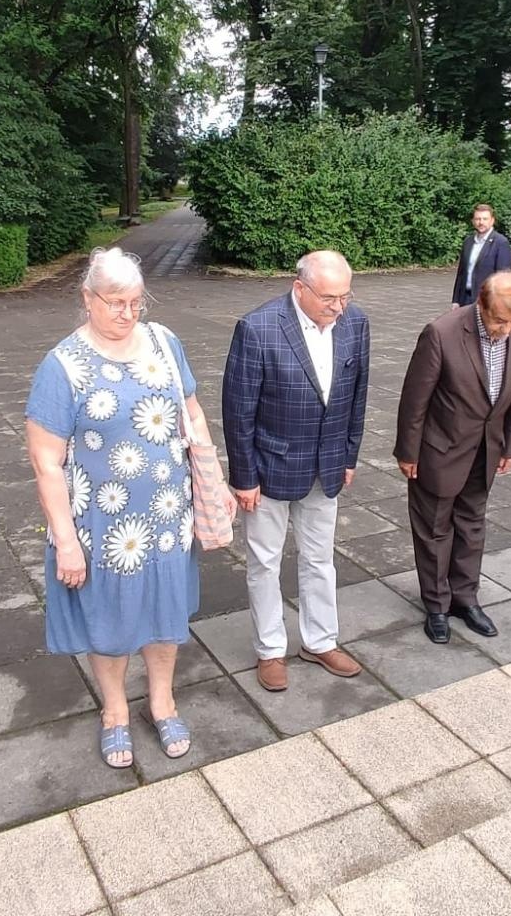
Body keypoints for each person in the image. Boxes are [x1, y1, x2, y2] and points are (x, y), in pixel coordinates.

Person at [25, 247, 233, 769]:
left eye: (135, 302)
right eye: (115, 302)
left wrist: (214, 478)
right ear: (87, 298)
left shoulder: (164, 343)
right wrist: (66, 539)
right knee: (110, 621)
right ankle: (115, 710)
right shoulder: (62, 366)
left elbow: (193, 414)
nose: (126, 313)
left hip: (167, 518)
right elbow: (46, 463)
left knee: (165, 619)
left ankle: (161, 700)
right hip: (104, 527)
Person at [222, 250, 371, 692]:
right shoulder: (258, 328)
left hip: (326, 467)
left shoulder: (355, 322)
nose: (338, 307)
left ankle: (320, 641)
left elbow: (358, 394)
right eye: (329, 298)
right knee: (265, 563)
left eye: (345, 296)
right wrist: (244, 476)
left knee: (320, 559)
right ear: (299, 288)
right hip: (269, 469)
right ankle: (270, 649)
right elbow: (238, 410)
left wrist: (348, 456)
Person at [395, 274, 511, 644]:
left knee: (473, 525)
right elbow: (415, 400)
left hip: (487, 448)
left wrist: (510, 445)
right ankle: (437, 605)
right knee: (435, 528)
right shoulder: (441, 333)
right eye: (498, 321)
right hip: (439, 448)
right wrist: (408, 452)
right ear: (481, 306)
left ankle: (465, 598)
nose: (506, 330)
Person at [451, 203, 511, 309]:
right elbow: (461, 273)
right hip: (465, 299)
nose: (481, 222)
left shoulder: (500, 242)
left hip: (487, 300)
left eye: (485, 219)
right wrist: (456, 300)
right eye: (478, 219)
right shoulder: (468, 242)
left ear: (492, 220)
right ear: (473, 221)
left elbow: (503, 277)